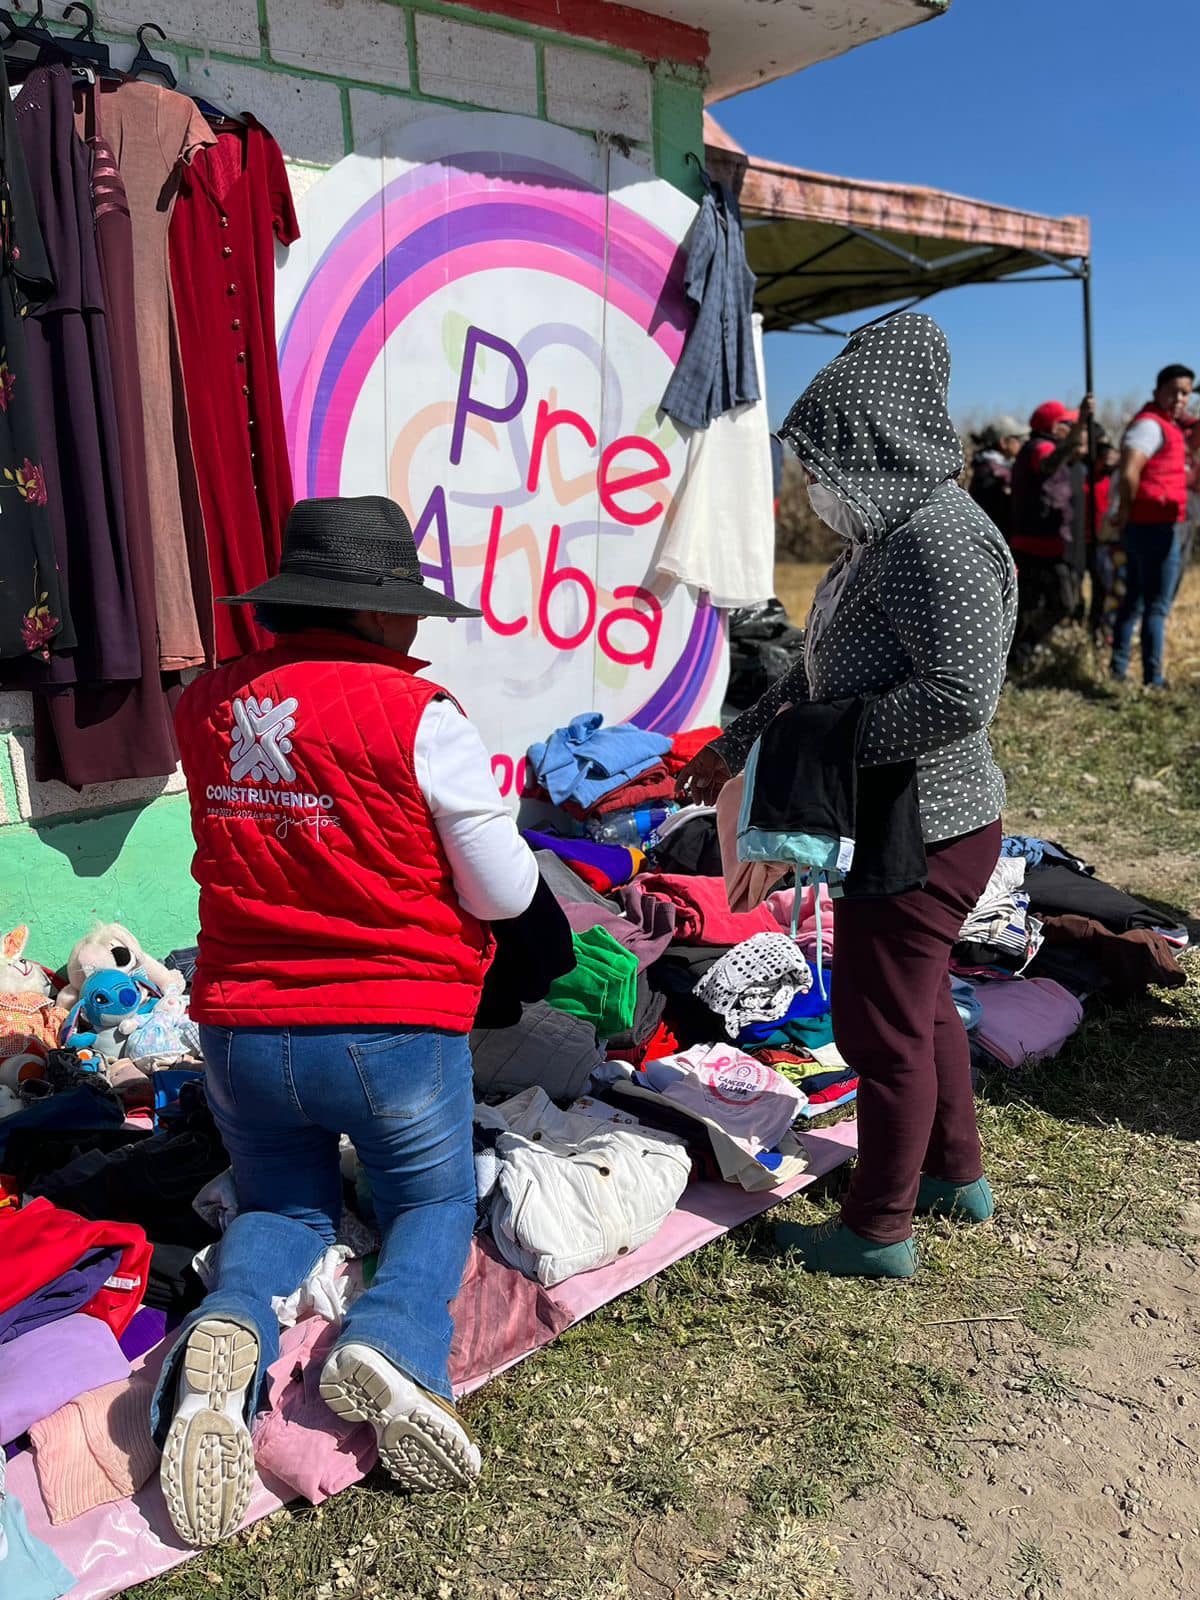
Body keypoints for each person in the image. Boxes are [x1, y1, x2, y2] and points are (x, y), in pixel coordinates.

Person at [154, 496, 539, 1547]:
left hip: (241, 1023)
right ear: (370, 615)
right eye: (406, 611)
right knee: (429, 1200)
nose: (416, 632)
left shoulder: (208, 704)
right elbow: (504, 893)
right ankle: (394, 1337)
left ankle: (229, 1325)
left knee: (282, 1205)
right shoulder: (419, 714)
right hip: (389, 1024)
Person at [677, 313, 1017, 1280]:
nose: (811, 484)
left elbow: (957, 697)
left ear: (876, 446)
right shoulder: (882, 536)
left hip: (926, 827)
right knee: (921, 1011)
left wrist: (817, 749)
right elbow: (819, 673)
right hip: (896, 819)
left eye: (823, 459)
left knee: (882, 1026)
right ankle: (954, 1174)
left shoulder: (938, 542)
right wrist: (741, 740)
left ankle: (879, 1229)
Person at [1109, 363, 1195, 686]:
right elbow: (1130, 471)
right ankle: (1152, 679)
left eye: (1185, 393)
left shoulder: (1166, 424)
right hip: (1155, 526)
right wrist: (1127, 511)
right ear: (1157, 392)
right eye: (1173, 391)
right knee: (1156, 605)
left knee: (1135, 599)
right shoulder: (1150, 426)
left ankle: (1119, 670)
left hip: (1150, 524)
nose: (1179, 398)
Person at [1007, 398, 1093, 662]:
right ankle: (1022, 650)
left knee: (1034, 604)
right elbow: (1049, 463)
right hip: (1038, 544)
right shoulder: (1040, 447)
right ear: (1055, 427)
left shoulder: (1037, 447)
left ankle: (1021, 652)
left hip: (1040, 542)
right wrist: (1079, 430)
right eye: (1067, 423)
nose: (1071, 428)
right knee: (1061, 602)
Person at [1085, 436, 1120, 642]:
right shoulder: (1084, 480)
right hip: (1086, 542)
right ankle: (1092, 626)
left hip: (1106, 543)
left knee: (1107, 589)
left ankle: (1103, 630)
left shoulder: (1111, 482)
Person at [968, 414, 1026, 534]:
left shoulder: (992, 467)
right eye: (1017, 438)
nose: (1021, 443)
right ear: (1004, 442)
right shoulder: (993, 472)